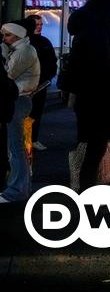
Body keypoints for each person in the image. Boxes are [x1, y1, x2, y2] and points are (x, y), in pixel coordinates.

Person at [66, 0, 110, 190]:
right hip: (99, 99)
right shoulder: (97, 33)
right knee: (95, 146)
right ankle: (87, 187)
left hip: (90, 98)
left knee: (91, 144)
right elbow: (101, 69)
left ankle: (87, 185)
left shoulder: (89, 29)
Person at [0, 22, 39, 203]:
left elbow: (7, 74)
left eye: (7, 35)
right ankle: (20, 188)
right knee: (15, 147)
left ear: (17, 36)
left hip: (19, 99)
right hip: (18, 98)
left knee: (16, 147)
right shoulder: (20, 50)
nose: (4, 39)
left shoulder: (24, 51)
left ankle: (17, 190)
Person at [24, 14, 56, 151]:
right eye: (36, 25)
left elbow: (52, 61)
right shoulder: (24, 42)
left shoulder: (45, 42)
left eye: (41, 24)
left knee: (36, 112)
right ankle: (26, 140)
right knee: (26, 113)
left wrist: (49, 77)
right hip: (26, 84)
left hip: (41, 83)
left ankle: (33, 139)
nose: (39, 27)